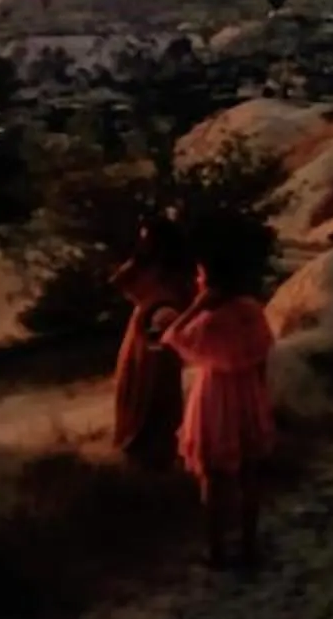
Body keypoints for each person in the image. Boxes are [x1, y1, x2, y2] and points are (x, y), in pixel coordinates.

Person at [163, 248, 279, 569]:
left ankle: (216, 550)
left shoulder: (208, 322)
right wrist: (261, 394)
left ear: (210, 281)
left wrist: (195, 306)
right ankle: (249, 545)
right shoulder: (251, 310)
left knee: (213, 477)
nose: (197, 281)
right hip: (248, 392)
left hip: (215, 395)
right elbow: (263, 353)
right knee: (249, 474)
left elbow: (172, 337)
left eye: (200, 276)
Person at [106, 218, 191, 473]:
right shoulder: (145, 266)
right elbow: (119, 281)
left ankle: (156, 463)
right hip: (141, 334)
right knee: (134, 391)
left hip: (160, 331)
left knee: (157, 398)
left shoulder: (175, 271)